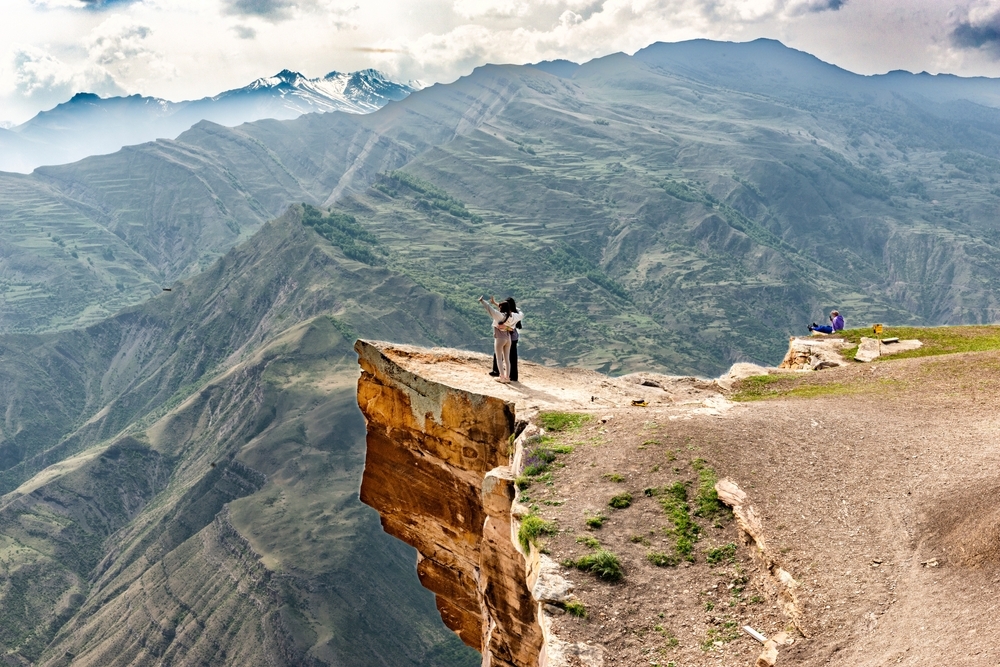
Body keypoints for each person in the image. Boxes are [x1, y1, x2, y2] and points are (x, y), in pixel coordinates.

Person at [478, 296, 515, 383]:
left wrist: (482, 301)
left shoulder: (498, 315)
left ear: (501, 308)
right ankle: (507, 377)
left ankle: (501, 377)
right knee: (507, 359)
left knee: (499, 358)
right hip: (508, 339)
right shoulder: (511, 316)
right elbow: (512, 328)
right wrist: (495, 303)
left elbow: (489, 309)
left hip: (500, 338)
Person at [489, 297, 522, 381]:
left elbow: (511, 329)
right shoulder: (511, 313)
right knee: (505, 356)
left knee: (509, 357)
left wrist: (505, 327)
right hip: (509, 337)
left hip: (510, 337)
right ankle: (503, 373)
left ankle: (508, 375)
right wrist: (494, 302)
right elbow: (502, 307)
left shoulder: (513, 314)